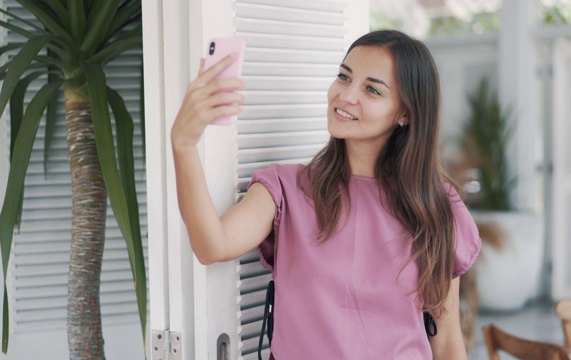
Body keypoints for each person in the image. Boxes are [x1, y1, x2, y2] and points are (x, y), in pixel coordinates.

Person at [171, 29, 481, 360]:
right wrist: (184, 144)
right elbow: (211, 245)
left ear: (404, 113)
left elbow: (447, 344)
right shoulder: (285, 189)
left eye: (372, 89)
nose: (346, 96)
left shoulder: (437, 206)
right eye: (344, 77)